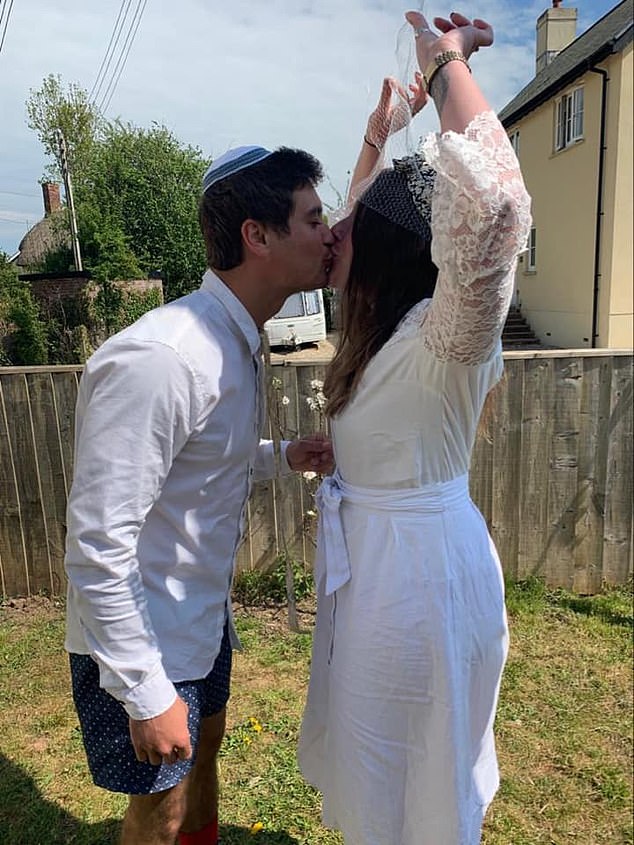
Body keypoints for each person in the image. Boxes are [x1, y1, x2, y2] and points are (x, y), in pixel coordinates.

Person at [298, 9, 532, 845]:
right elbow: (371, 208)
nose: (331, 231)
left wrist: (444, 68)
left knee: (423, 781)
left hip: (420, 590)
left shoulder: (444, 339)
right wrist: (378, 135)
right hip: (381, 578)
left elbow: (497, 206)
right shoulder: (375, 328)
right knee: (379, 774)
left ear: (389, 250)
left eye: (348, 227)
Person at [64, 145, 334, 845]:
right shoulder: (162, 356)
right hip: (142, 639)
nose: (328, 232)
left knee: (204, 758)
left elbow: (204, 463)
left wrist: (284, 457)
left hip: (201, 624)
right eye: (312, 217)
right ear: (258, 234)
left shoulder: (236, 340)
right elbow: (96, 543)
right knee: (161, 809)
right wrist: (147, 693)